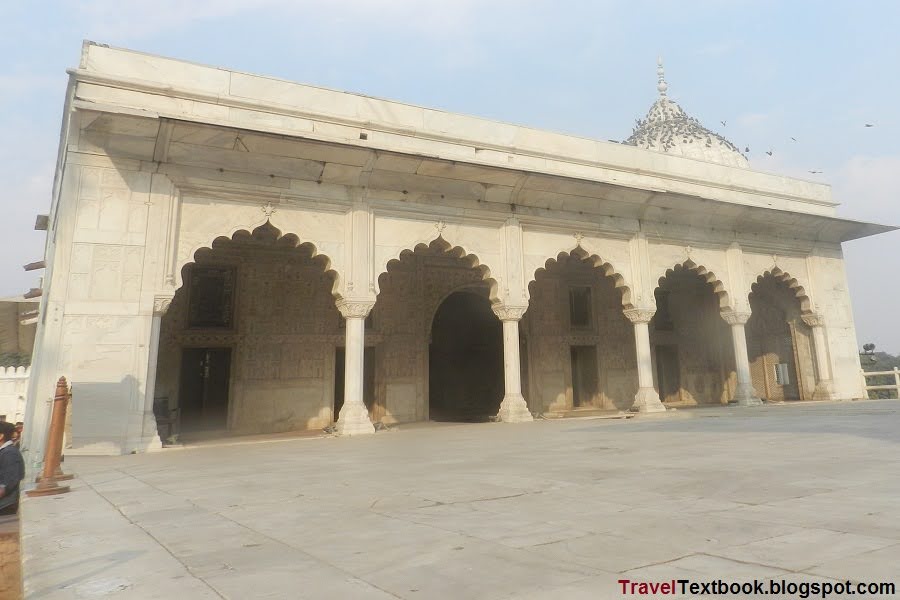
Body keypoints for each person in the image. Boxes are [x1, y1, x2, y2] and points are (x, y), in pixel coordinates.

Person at [0, 421, 25, 515]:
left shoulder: (9, 453)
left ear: (1, 436)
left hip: (5, 506)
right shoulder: (5, 452)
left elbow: (5, 486)